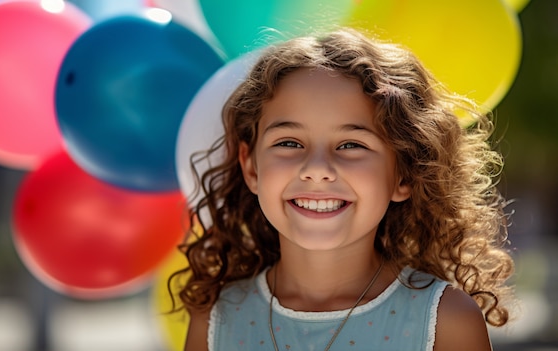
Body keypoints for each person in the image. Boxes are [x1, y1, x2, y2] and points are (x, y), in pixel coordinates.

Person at [170, 27, 515, 351]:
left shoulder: (446, 321)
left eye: (351, 145)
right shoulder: (216, 320)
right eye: (289, 142)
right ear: (251, 166)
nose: (317, 169)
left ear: (404, 175)